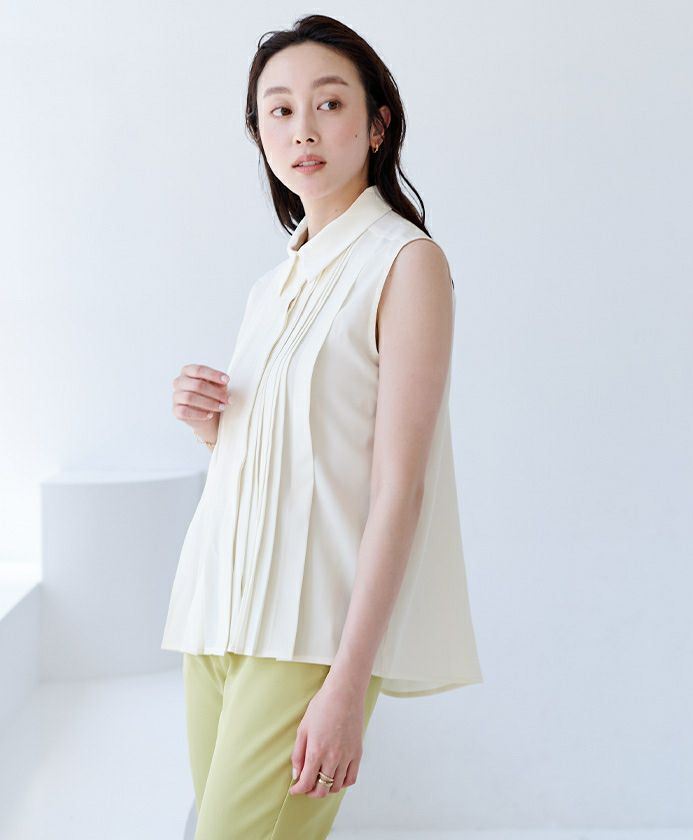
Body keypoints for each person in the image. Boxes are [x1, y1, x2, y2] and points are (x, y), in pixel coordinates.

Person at [161, 13, 483, 840]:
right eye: (279, 109)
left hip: (308, 635)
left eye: (329, 103)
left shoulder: (407, 264)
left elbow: (400, 488)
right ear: (259, 134)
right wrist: (213, 428)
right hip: (215, 617)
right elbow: (303, 457)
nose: (301, 128)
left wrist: (347, 680)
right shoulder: (271, 288)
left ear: (377, 124)